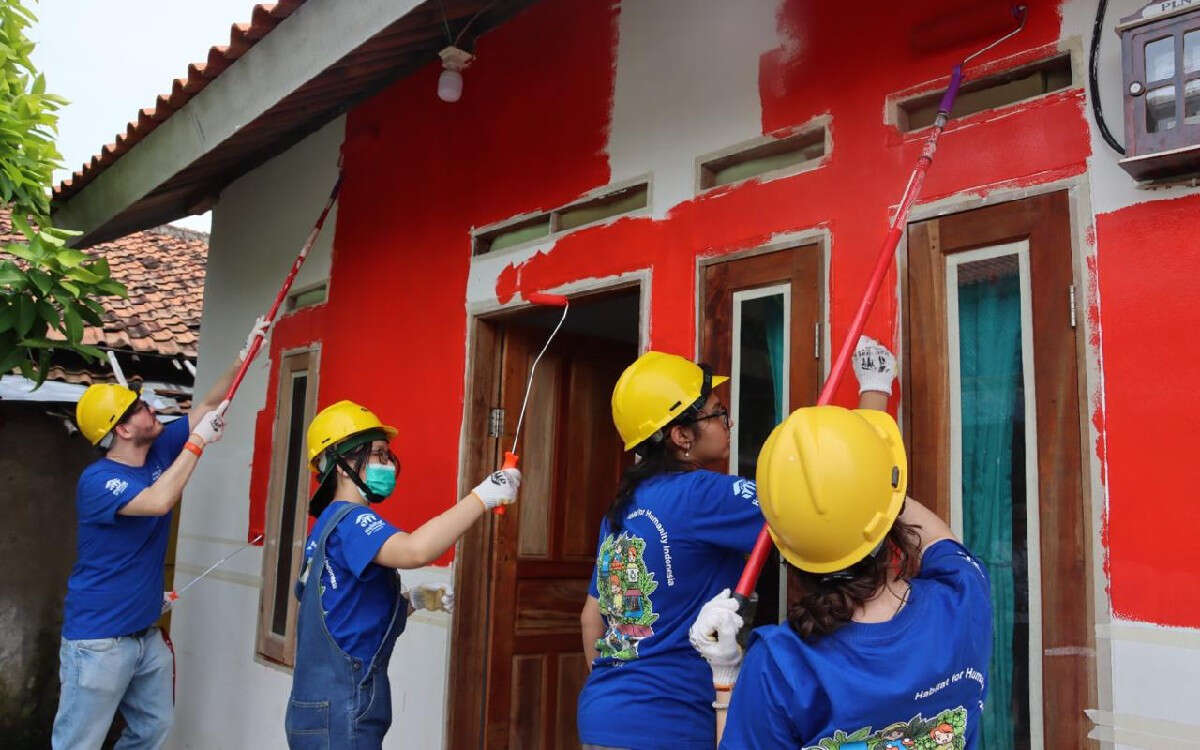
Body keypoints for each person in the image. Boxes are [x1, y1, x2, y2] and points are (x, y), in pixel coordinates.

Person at [575, 348, 891, 750]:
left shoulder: (622, 508)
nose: (730, 421)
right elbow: (825, 502)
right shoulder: (703, 495)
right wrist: (875, 396)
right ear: (681, 435)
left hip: (602, 716)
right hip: (671, 725)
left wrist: (620, 696)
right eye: (718, 413)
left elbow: (591, 618)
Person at [689, 341, 993, 750]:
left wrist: (724, 679)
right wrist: (870, 470)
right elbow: (938, 536)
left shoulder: (783, 665)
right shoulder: (962, 600)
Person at [52, 318, 269, 749]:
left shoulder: (159, 449)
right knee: (78, 742)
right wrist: (197, 445)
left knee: (152, 729)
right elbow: (156, 502)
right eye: (137, 408)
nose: (148, 406)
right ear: (122, 429)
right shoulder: (98, 481)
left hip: (144, 635)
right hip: (99, 642)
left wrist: (245, 355)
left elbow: (209, 405)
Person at [284, 399, 521, 749]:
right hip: (342, 712)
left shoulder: (327, 526)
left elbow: (346, 613)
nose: (388, 464)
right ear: (341, 463)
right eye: (378, 454)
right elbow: (414, 550)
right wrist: (482, 496)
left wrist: (414, 601)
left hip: (324, 711)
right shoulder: (351, 521)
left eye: (387, 454)